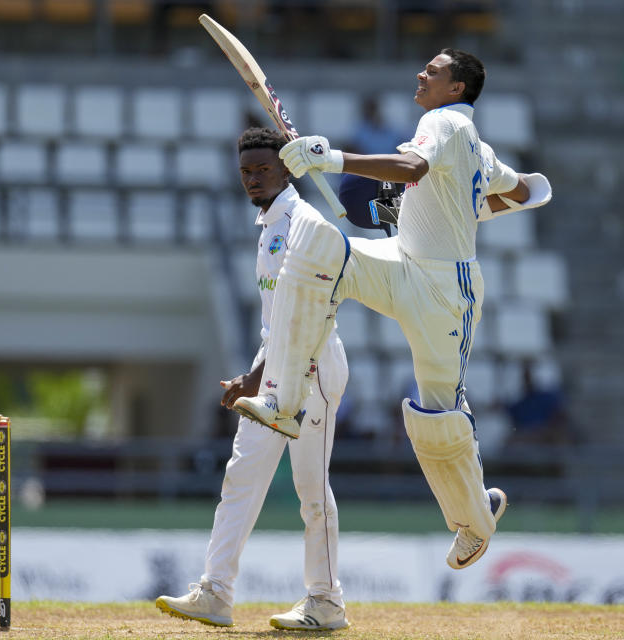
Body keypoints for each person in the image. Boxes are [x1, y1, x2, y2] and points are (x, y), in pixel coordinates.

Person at [231, 49, 553, 570]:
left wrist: (332, 159)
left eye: (434, 70)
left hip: (447, 293)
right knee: (318, 252)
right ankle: (284, 400)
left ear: (456, 89)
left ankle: (476, 516)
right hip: (403, 261)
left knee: (436, 418)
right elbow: (521, 192)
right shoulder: (472, 142)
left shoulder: (443, 122)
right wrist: (416, 211)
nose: (421, 74)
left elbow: (411, 168)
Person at [155, 128, 350, 631]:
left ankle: (326, 601)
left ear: (287, 170)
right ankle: (216, 593)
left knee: (311, 488)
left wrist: (253, 376)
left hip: (313, 366)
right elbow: (275, 322)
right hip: (276, 365)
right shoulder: (269, 224)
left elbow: (301, 318)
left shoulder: (304, 224)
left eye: (263, 169)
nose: (253, 179)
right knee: (241, 476)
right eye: (245, 172)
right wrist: (256, 376)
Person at [506, 362, 574, 446]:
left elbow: (560, 416)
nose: (527, 381)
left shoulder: (548, 397)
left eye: (529, 377)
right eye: (525, 378)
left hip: (545, 435)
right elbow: (514, 424)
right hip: (526, 436)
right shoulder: (520, 404)